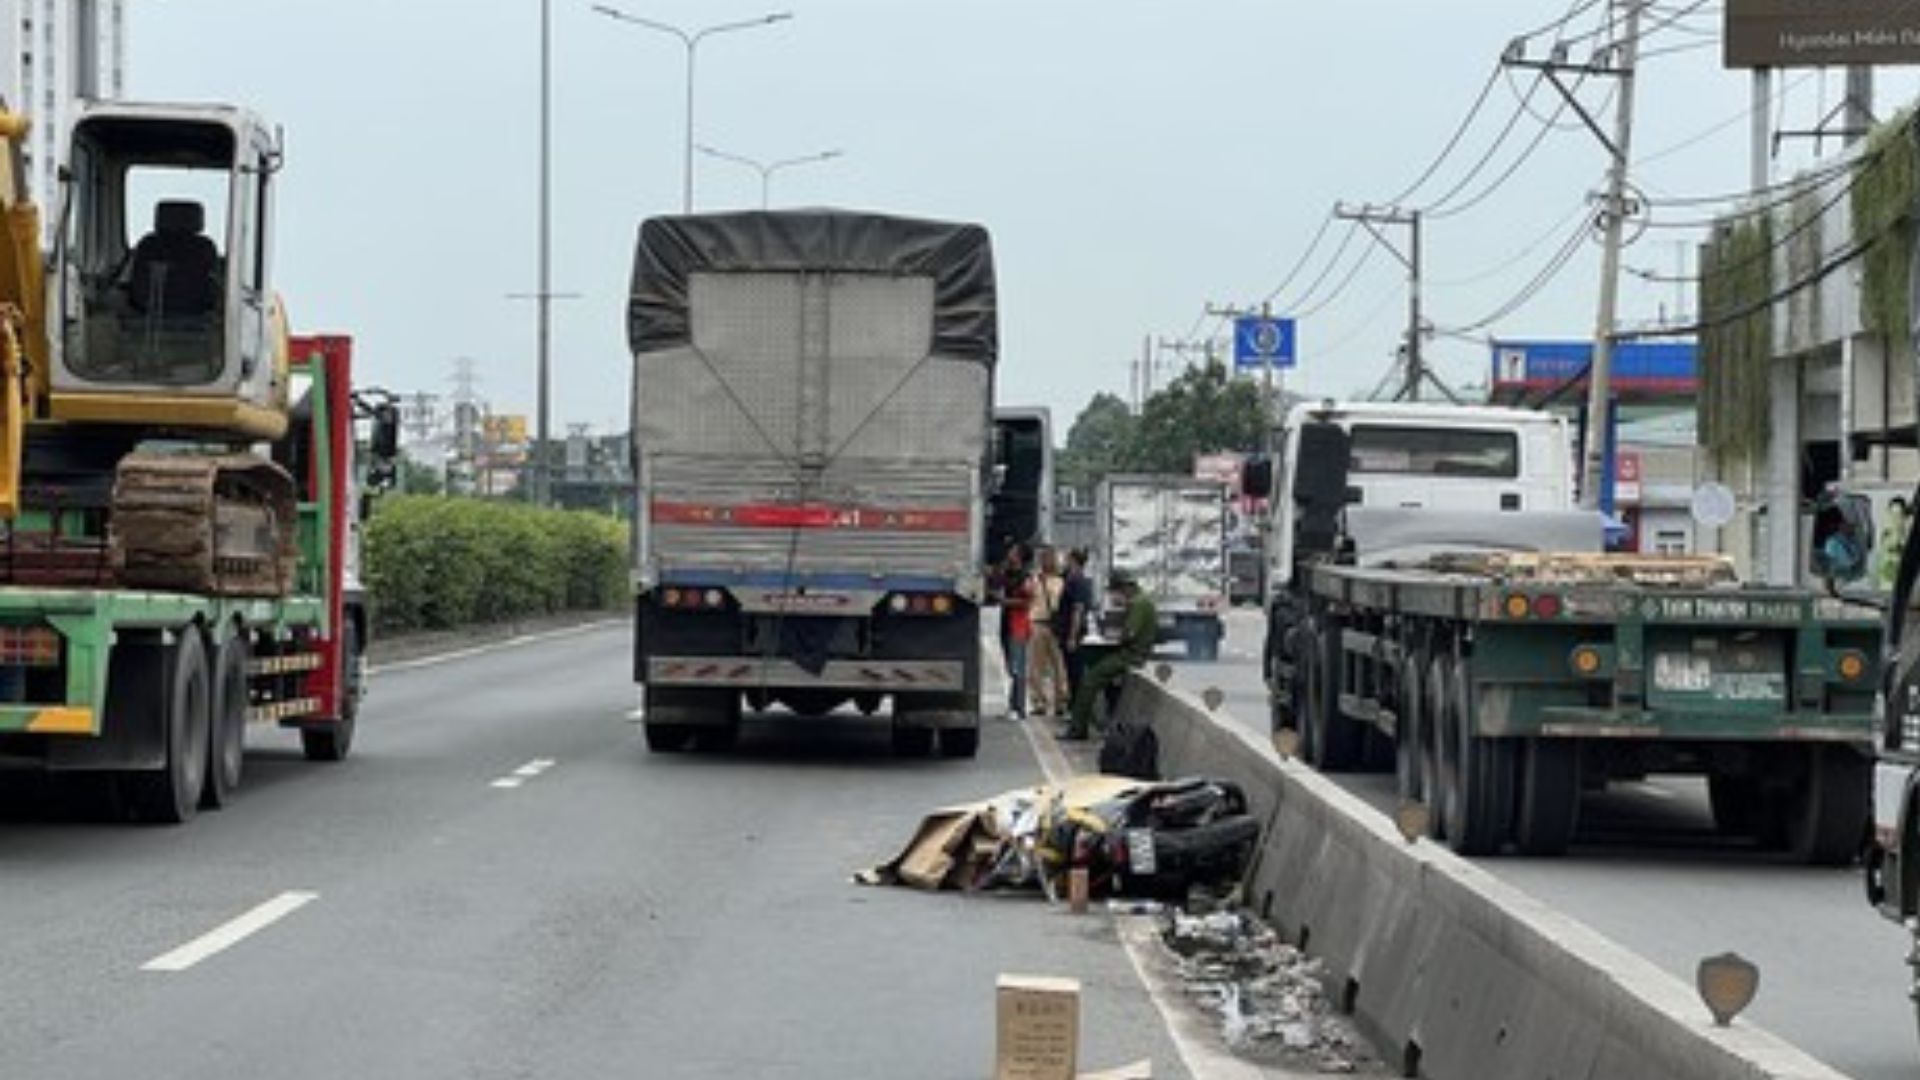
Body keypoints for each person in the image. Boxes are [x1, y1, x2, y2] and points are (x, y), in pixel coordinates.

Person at [1064, 570, 1157, 741]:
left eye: (1117, 592)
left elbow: (1130, 633)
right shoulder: (1142, 601)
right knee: (1102, 677)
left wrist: (1114, 636)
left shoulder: (1138, 604)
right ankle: (1097, 720)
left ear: (1125, 588)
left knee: (1089, 681)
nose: (1117, 596)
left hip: (1130, 655)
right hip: (1132, 652)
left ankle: (1078, 728)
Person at [1026, 547, 1069, 717]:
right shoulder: (1034, 579)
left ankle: (1061, 702)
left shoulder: (1061, 581)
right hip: (1038, 623)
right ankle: (1039, 702)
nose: (1048, 562)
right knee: (1036, 666)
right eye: (1045, 559)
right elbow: (1027, 596)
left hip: (1055, 626)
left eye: (1050, 559)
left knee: (1059, 665)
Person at [1054, 548, 1094, 707]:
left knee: (1075, 672)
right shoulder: (1073, 579)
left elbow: (1078, 610)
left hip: (1073, 634)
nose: (1064, 562)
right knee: (1070, 672)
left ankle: (1077, 707)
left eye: (1067, 559)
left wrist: (1072, 636)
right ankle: (1074, 705)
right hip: (1069, 632)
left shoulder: (1077, 581)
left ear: (1073, 560)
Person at [1002, 543, 1033, 718]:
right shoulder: (1008, 573)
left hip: (1018, 625)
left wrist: (1006, 601)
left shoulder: (1025, 577)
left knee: (1018, 667)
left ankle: (1019, 708)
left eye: (1013, 551)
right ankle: (1013, 704)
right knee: (1011, 666)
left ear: (1020, 556)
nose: (1009, 553)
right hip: (1007, 623)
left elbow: (1027, 601)